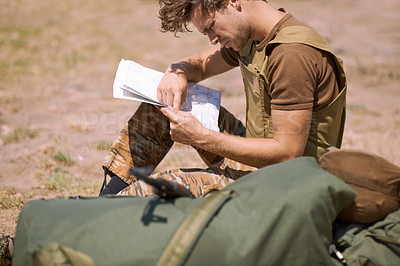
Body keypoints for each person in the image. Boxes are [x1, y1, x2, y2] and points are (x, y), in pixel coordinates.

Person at [99, 0, 347, 197]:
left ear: (232, 1)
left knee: (155, 190)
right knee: (160, 108)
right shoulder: (252, 36)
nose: (212, 39)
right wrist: (178, 71)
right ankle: (107, 200)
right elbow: (202, 65)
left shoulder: (291, 55)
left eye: (211, 27)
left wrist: (202, 138)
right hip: (259, 163)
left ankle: (110, 213)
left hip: (284, 186)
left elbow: (288, 154)